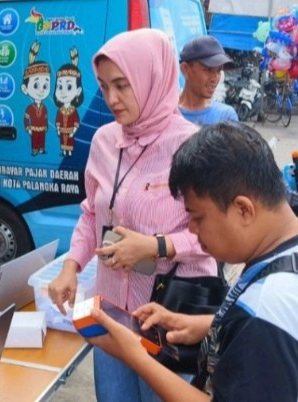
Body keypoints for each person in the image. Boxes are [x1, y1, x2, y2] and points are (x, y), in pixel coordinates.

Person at [85, 122, 298, 401]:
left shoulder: (269, 313)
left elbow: (265, 327)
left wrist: (133, 356)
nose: (191, 228)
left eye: (197, 216)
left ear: (243, 209)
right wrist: (208, 324)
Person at [47, 29, 216, 402]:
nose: (112, 99)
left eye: (123, 85)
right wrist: (71, 266)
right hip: (110, 312)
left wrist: (156, 246)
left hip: (168, 315)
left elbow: (215, 237)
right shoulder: (105, 141)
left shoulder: (192, 146)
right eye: (105, 87)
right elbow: (91, 211)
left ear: (151, 77)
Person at [178, 35, 238, 125]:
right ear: (186, 69)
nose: (214, 78)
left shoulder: (226, 116)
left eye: (218, 71)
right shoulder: (165, 114)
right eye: (208, 70)